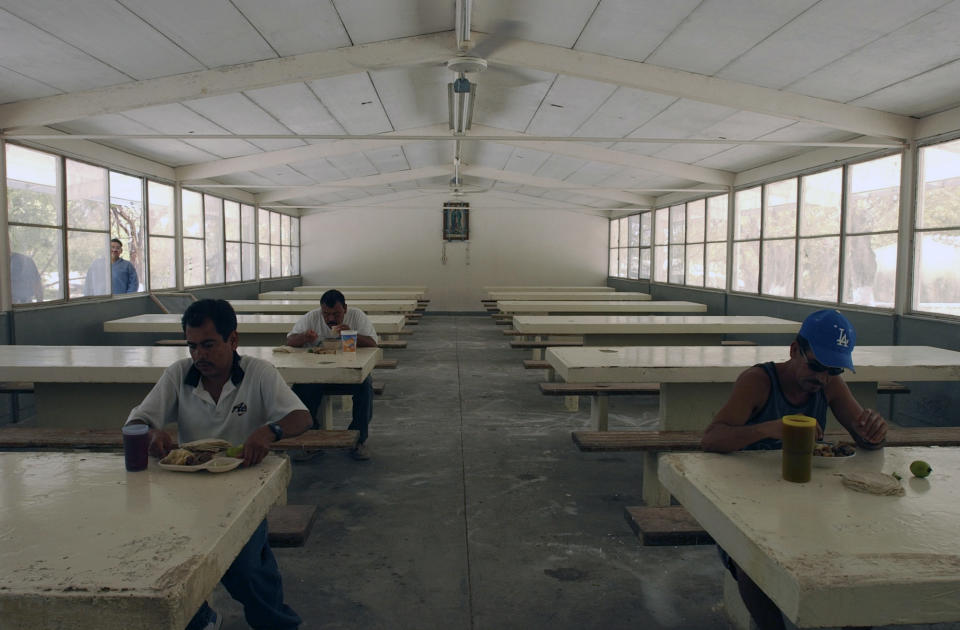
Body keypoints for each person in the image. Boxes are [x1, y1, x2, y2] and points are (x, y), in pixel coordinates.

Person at [125, 299, 310, 630]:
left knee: (246, 569)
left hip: (244, 489)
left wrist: (270, 431)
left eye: (208, 345)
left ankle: (279, 624)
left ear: (233, 340)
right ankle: (199, 620)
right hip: (185, 490)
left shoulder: (258, 373)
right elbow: (138, 419)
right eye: (192, 346)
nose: (199, 356)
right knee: (166, 564)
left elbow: (300, 416)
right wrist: (152, 434)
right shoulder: (179, 375)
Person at [701, 309, 888, 630]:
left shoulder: (828, 384)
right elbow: (711, 439)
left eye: (833, 369)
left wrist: (874, 431)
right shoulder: (759, 382)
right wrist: (768, 429)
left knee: (853, 554)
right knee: (753, 561)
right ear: (794, 350)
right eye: (815, 366)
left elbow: (863, 435)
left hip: (806, 497)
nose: (822, 378)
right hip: (747, 497)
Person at [286, 289, 378, 461]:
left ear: (345, 308)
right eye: (326, 314)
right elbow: (290, 341)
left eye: (336, 313)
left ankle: (359, 439)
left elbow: (373, 343)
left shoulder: (357, 316)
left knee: (365, 386)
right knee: (301, 388)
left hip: (349, 375)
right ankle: (311, 438)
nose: (331, 319)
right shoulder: (312, 317)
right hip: (317, 375)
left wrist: (351, 334)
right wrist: (305, 337)